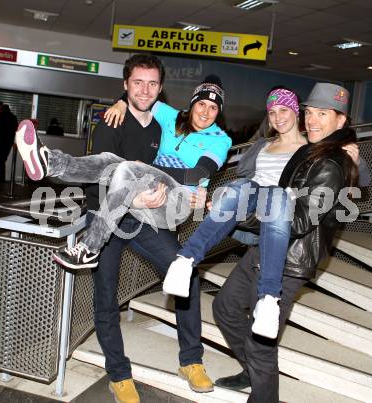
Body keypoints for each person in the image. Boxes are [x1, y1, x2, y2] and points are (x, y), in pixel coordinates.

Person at [15, 54, 231, 402]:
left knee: (184, 276)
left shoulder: (167, 123)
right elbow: (99, 180)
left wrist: (177, 191)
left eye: (152, 84)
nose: (144, 90)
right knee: (105, 297)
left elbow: (192, 174)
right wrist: (132, 195)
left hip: (151, 214)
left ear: (161, 90)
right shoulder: (116, 121)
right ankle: (118, 373)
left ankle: (191, 360)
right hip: (109, 214)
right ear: (126, 85)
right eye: (137, 83)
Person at [210, 83, 362, 402]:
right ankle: (252, 371)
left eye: (323, 114)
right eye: (310, 113)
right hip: (267, 247)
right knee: (225, 307)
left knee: (260, 340)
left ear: (341, 120)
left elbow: (300, 219)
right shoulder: (311, 149)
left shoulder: (332, 162)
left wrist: (236, 214)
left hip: (291, 260)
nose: (314, 120)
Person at [16, 74, 231, 271]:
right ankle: (49, 163)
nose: (205, 112)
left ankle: (90, 247)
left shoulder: (221, 139)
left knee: (127, 167)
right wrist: (120, 102)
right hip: (149, 188)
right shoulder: (171, 116)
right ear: (193, 103)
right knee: (110, 160)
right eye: (202, 104)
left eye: (213, 108)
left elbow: (197, 175)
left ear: (219, 111)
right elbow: (140, 97)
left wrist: (145, 168)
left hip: (178, 200)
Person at [163, 88, 307, 339]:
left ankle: (269, 299)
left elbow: (353, 173)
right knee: (238, 188)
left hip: (280, 204)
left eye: (283, 110)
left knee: (278, 198)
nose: (278, 117)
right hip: (252, 194)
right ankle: (185, 261)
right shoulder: (264, 144)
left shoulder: (310, 148)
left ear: (295, 112)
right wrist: (221, 203)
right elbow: (243, 177)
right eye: (272, 112)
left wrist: (351, 153)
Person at [0, 104, 18, 182]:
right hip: (8, 142)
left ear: (2, 109)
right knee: (3, 159)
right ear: (9, 109)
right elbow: (16, 128)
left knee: (0, 159)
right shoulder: (13, 117)